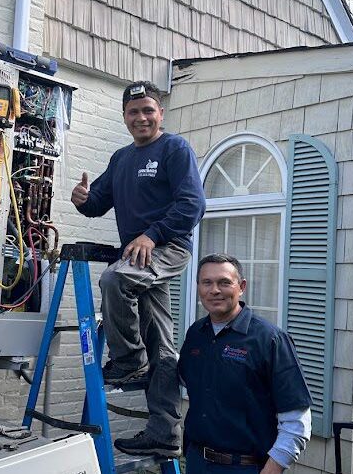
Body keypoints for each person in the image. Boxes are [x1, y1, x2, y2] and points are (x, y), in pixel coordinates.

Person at [70, 81, 206, 457]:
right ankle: (165, 433)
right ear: (125, 117)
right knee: (162, 346)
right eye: (134, 111)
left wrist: (153, 234)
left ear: (160, 113)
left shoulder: (174, 148)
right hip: (140, 254)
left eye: (149, 110)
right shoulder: (121, 158)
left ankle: (129, 361)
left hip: (167, 246)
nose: (142, 117)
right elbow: (97, 202)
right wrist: (81, 199)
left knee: (115, 278)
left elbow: (193, 204)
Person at [178, 254, 312, 473]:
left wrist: (272, 469)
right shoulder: (196, 334)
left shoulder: (269, 339)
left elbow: (297, 420)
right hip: (197, 462)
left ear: (241, 287)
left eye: (224, 282)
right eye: (207, 283)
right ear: (199, 287)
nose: (215, 290)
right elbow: (185, 378)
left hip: (245, 467)